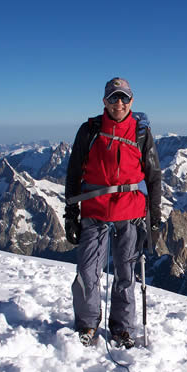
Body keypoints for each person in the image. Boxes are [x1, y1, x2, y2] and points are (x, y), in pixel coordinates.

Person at [64, 77, 162, 348]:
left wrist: (154, 217)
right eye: (113, 98)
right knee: (87, 272)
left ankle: (122, 329)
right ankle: (87, 325)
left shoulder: (141, 132)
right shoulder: (89, 131)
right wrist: (70, 213)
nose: (119, 103)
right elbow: (74, 173)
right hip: (94, 211)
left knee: (125, 274)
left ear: (132, 101)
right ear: (104, 101)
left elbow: (153, 176)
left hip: (130, 213)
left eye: (124, 98)